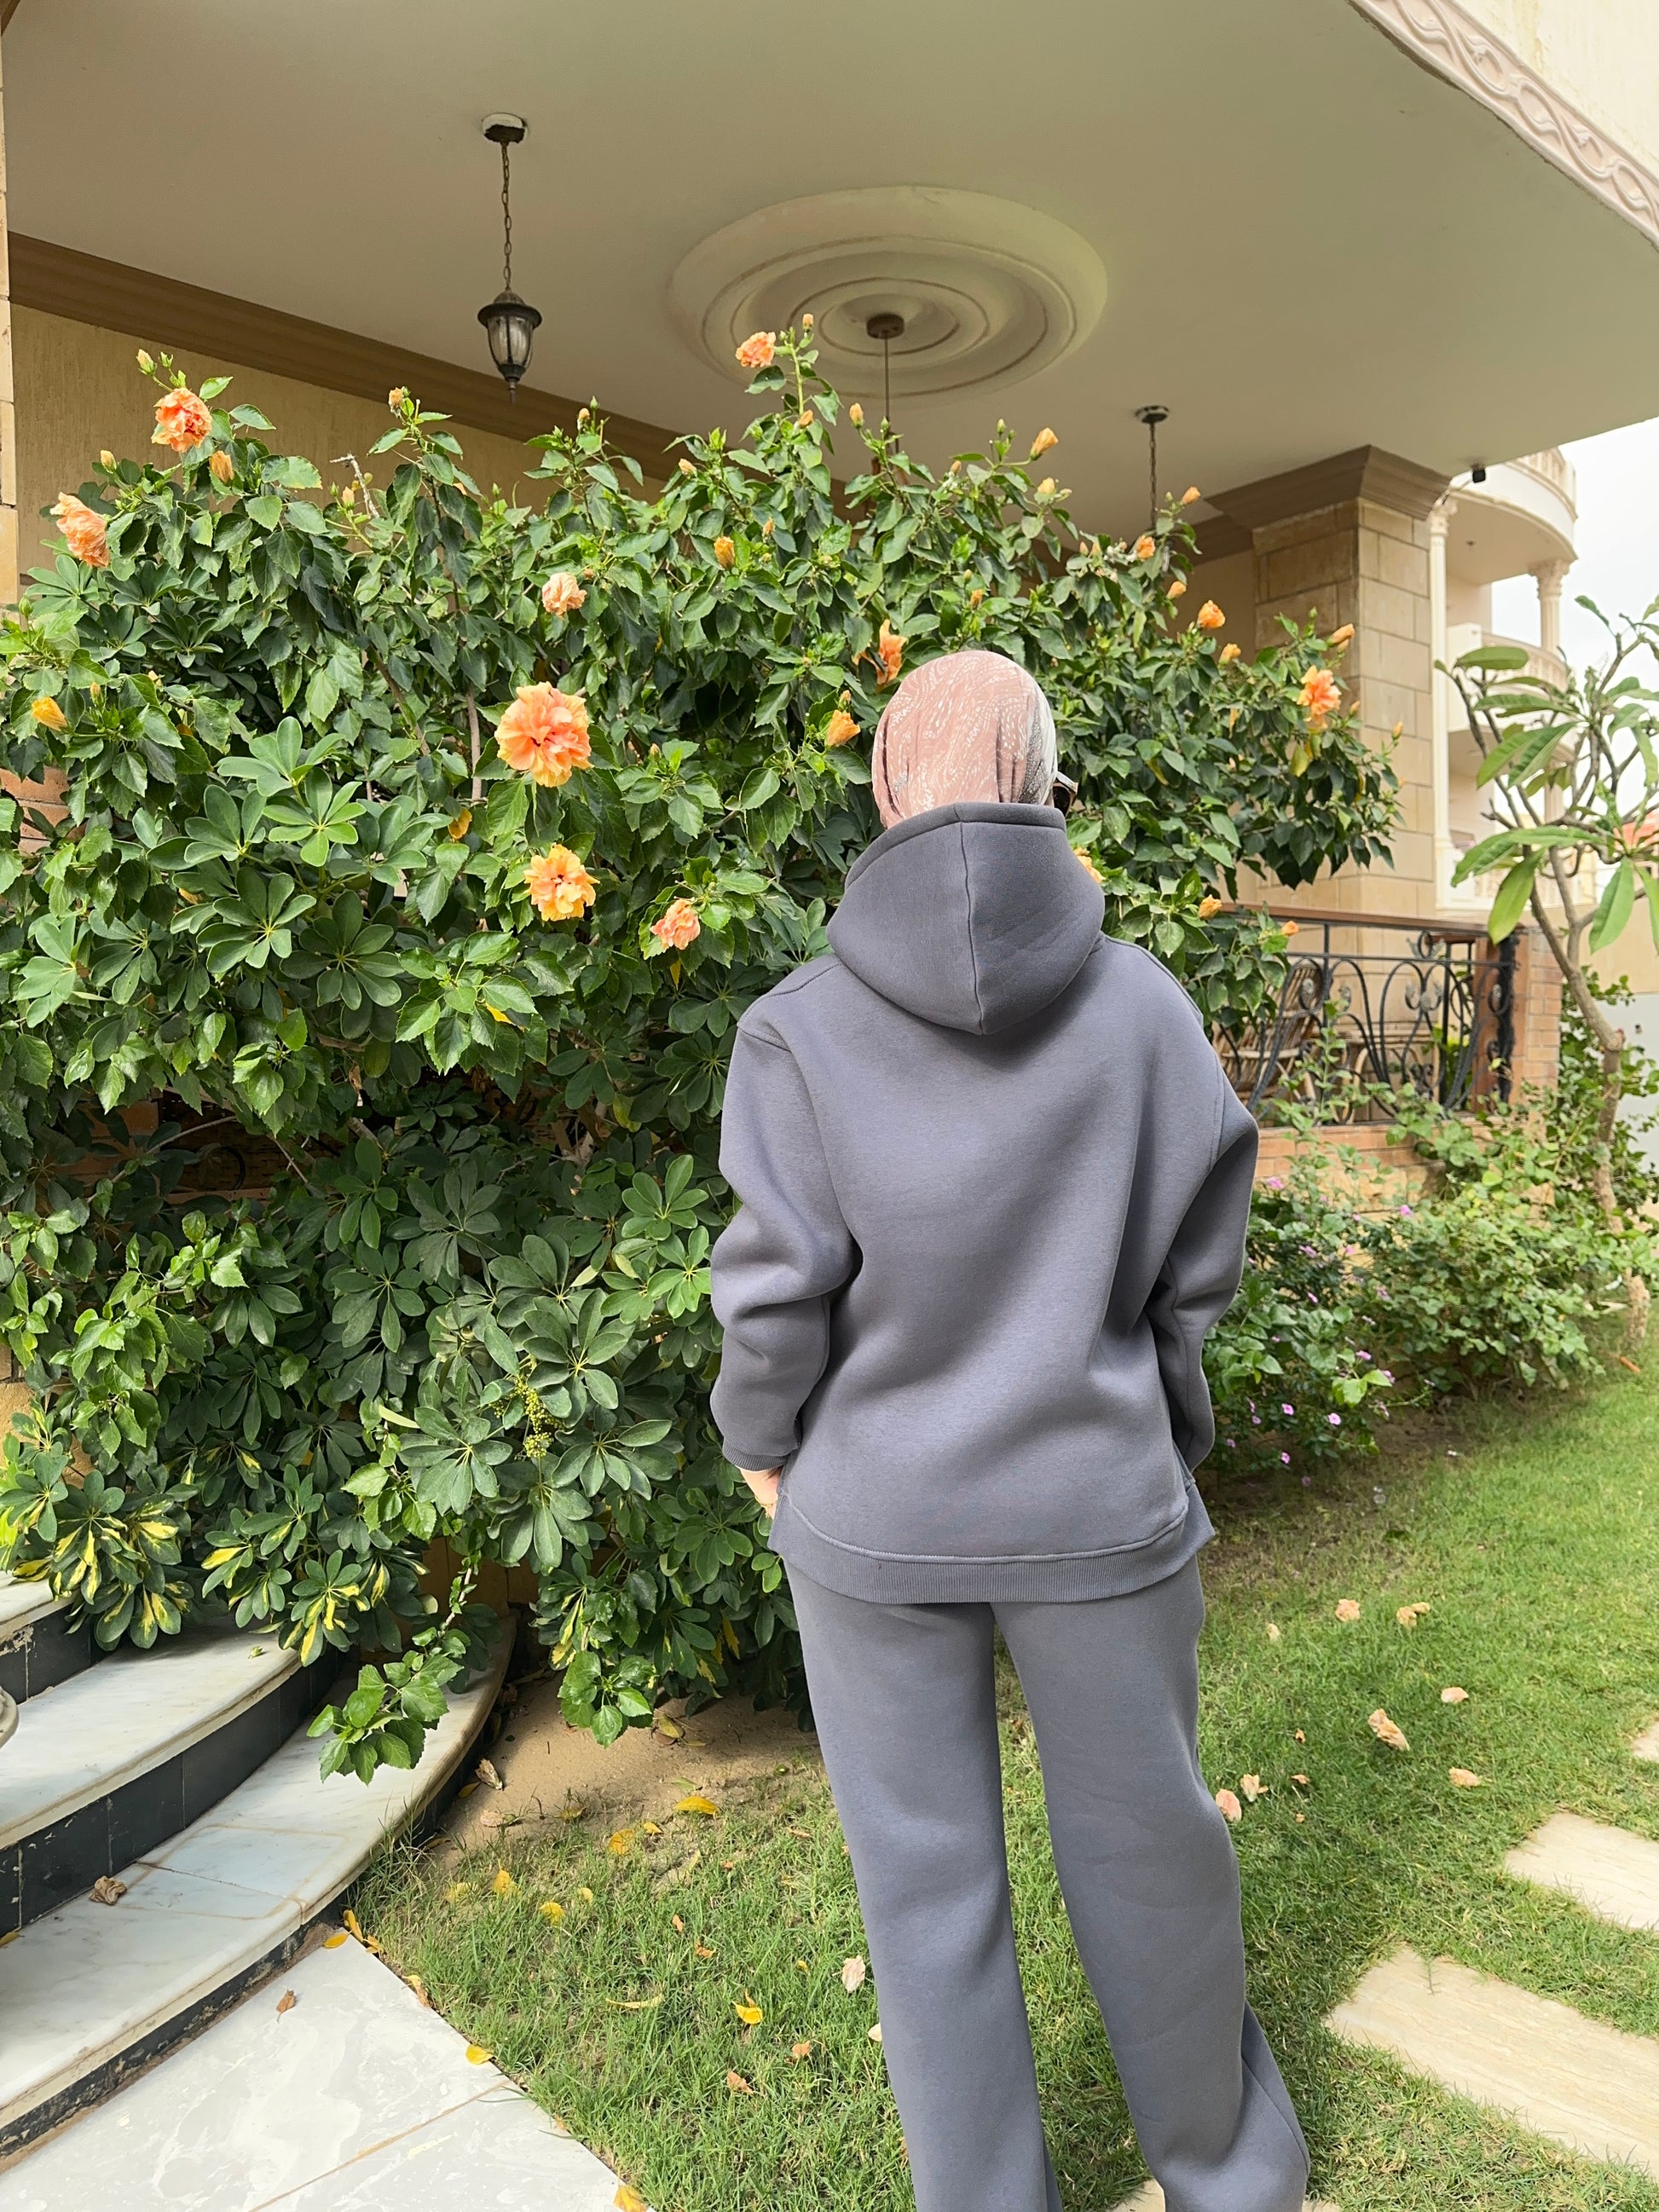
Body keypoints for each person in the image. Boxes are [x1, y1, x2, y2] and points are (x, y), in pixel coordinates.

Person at [708, 648, 1308, 2212]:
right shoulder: (1147, 1010)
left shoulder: (794, 1029)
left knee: (923, 1889)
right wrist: (1155, 1430)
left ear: (883, 790)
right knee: (1153, 1853)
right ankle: (1226, 2175)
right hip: (1098, 1498)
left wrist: (762, 1444)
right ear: (1047, 788)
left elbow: (773, 1292)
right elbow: (1196, 1273)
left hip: (871, 1515)